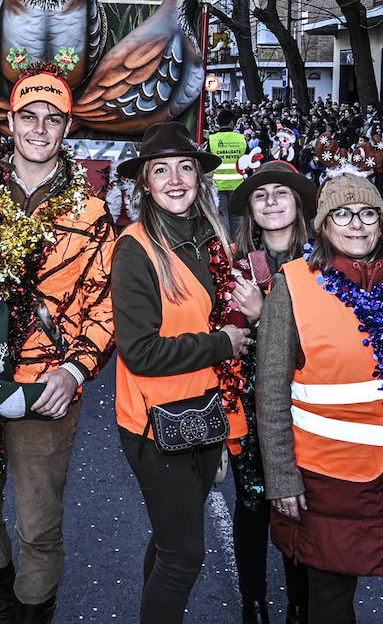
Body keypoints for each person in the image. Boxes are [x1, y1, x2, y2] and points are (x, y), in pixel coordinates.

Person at [0, 70, 115, 624]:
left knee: (39, 524)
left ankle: (32, 611)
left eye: (53, 118)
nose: (40, 128)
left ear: (67, 128)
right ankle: (0, 597)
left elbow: (104, 308)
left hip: (46, 389)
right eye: (30, 116)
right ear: (11, 121)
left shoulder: (91, 213)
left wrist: (75, 373)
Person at [255, 168, 383, 622]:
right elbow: (271, 391)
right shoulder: (293, 284)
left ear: (381, 220)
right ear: (324, 227)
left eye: (368, 212)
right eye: (343, 214)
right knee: (330, 602)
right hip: (330, 477)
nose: (357, 224)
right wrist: (281, 477)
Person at [110, 121, 254, 623]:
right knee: (184, 554)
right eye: (161, 170)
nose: (175, 179)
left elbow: (226, 311)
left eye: (185, 168)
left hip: (205, 415)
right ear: (145, 183)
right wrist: (222, 343)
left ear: (200, 177)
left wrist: (248, 314)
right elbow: (140, 351)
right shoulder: (135, 248)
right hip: (155, 424)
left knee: (172, 538)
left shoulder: (213, 238)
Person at [228, 160, 317, 624]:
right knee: (253, 504)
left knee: (301, 504)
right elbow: (232, 341)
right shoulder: (241, 265)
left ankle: (300, 606)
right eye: (261, 196)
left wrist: (265, 315)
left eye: (281, 193)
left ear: (298, 204)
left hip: (311, 405)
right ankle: (254, 604)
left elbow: (328, 340)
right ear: (251, 212)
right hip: (254, 406)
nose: (270, 202)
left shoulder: (325, 264)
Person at [209, 112, 249, 228]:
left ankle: (226, 244)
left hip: (218, 185)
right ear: (232, 122)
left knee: (222, 216)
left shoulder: (212, 140)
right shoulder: (241, 139)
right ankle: (237, 244)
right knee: (237, 216)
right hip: (237, 185)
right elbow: (248, 161)